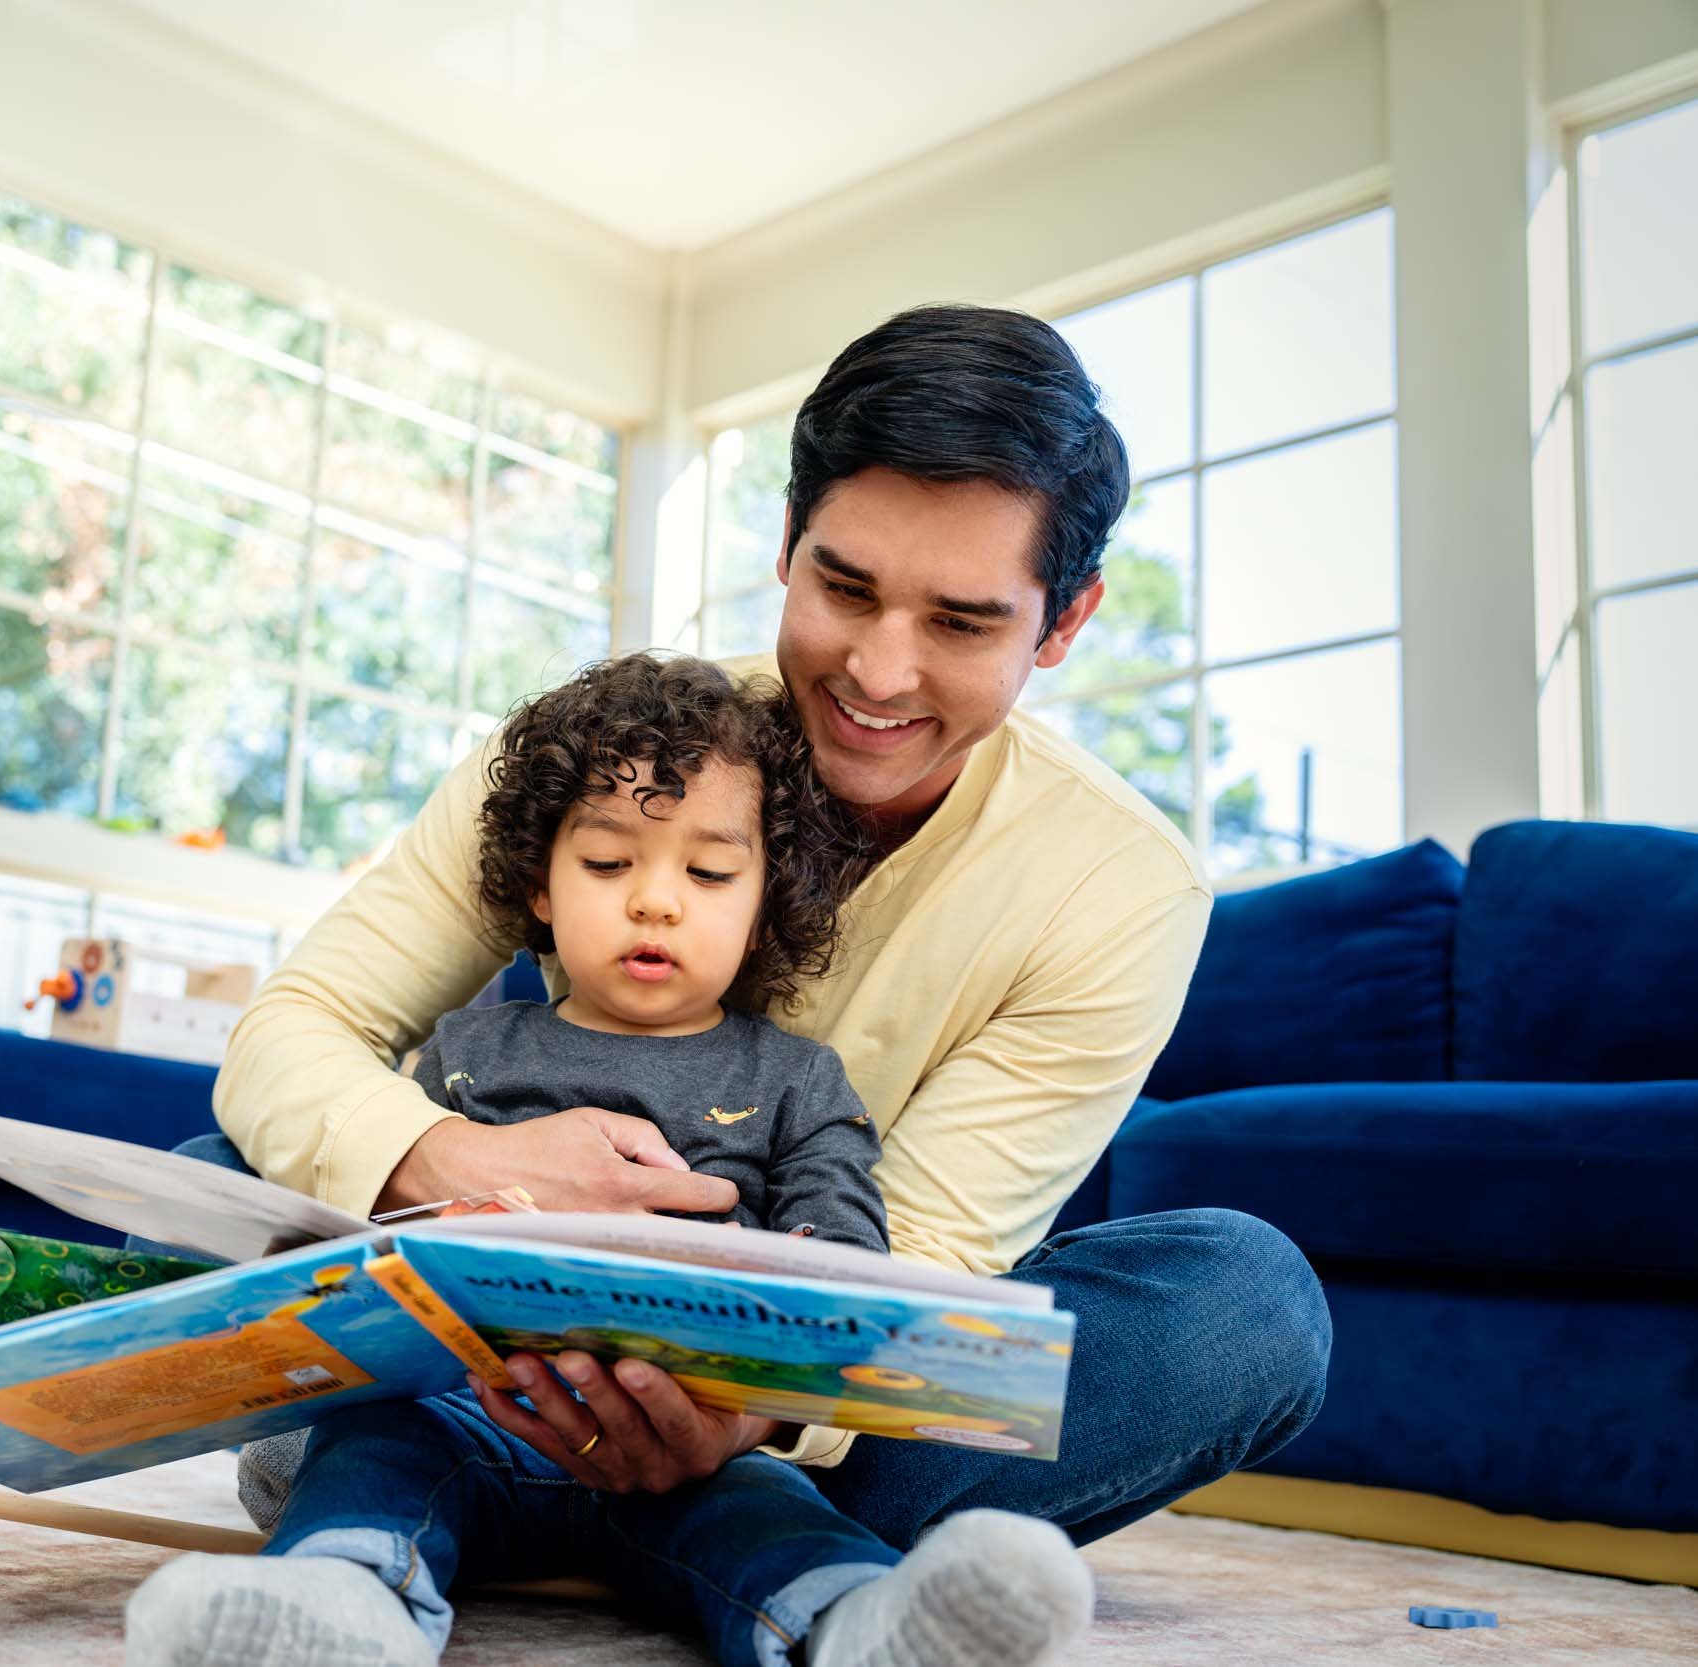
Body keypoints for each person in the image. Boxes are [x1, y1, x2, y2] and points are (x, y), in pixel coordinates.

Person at [183, 303, 1327, 1635]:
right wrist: (451, 1161)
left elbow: (935, 1257)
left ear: (1063, 620)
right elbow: (298, 1026)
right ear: (785, 544)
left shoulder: (1122, 884)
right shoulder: (598, 753)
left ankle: (442, 1485)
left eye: (961, 621)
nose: (879, 672)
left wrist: (745, 1401)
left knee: (1243, 1304)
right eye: (843, 588)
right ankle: (488, 1477)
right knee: (218, 1164)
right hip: (479, 1339)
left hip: (817, 1401)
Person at [125, 654, 1094, 1667]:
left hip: (700, 1445)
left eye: (708, 872)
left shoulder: (803, 1078)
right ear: (537, 887)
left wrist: (761, 1362)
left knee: (775, 1515)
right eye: (606, 863)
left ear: (765, 898)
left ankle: (865, 1625)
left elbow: (854, 1263)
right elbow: (380, 1246)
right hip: (463, 1416)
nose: (655, 901)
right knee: (371, 1457)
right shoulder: (467, 1048)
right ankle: (332, 1604)